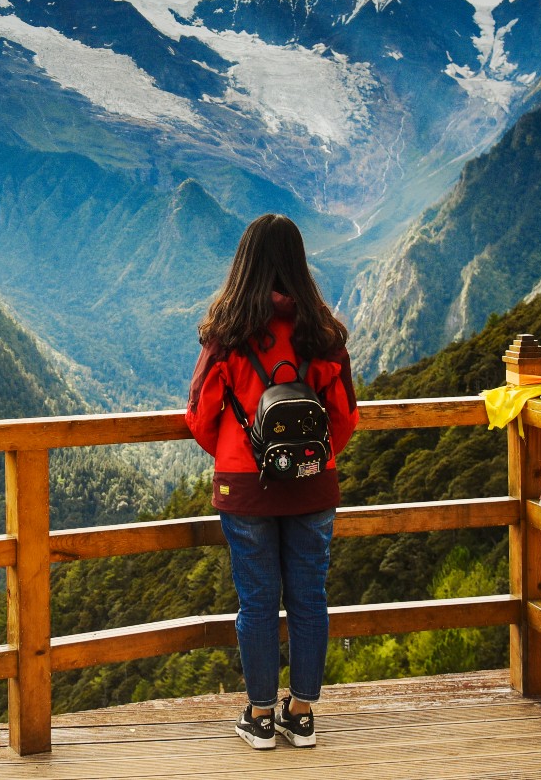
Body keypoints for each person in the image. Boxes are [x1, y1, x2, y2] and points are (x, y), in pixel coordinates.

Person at [184, 213, 359, 750]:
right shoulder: (322, 335)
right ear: (299, 264)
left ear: (246, 264)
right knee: (310, 597)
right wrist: (305, 464)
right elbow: (345, 418)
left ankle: (260, 717)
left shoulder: (227, 335)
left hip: (245, 488)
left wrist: (246, 459)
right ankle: (301, 714)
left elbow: (199, 418)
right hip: (312, 485)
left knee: (256, 601)